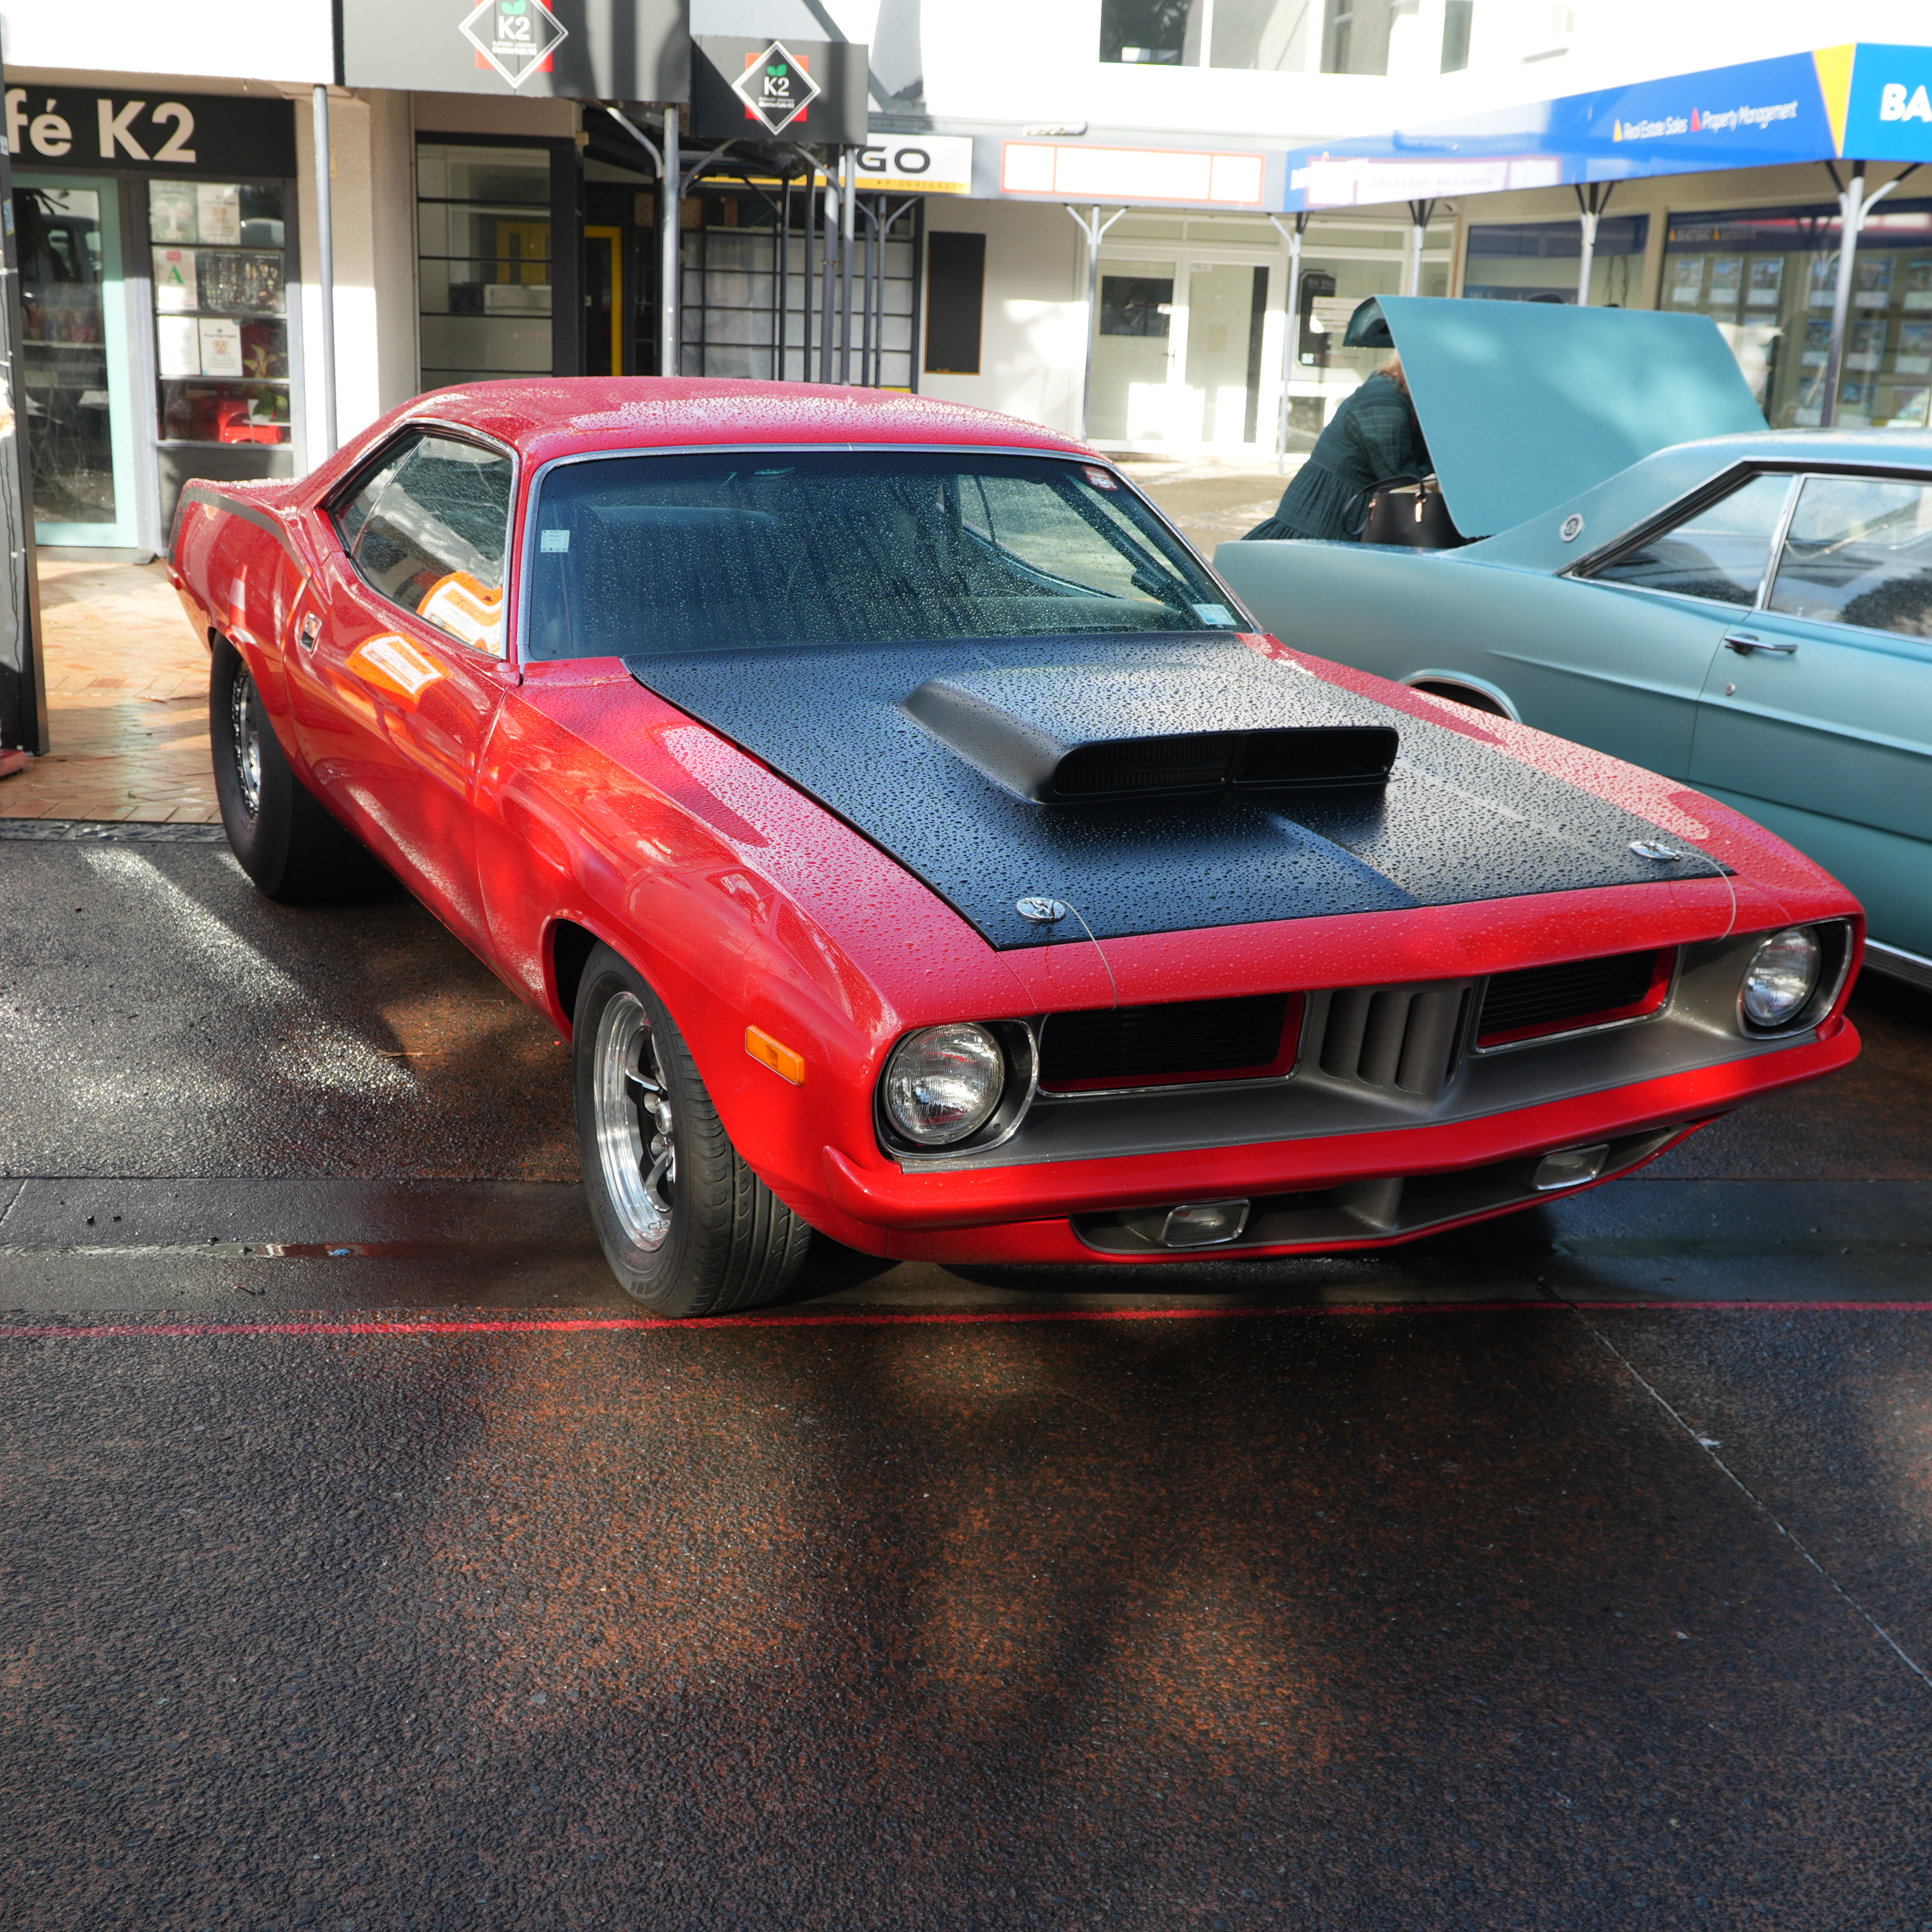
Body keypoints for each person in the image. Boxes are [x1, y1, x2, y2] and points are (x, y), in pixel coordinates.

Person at [1243, 356, 1431, 543]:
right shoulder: (1382, 400)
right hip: (1322, 522)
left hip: (1332, 524)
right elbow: (1401, 478)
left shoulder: (1394, 392)